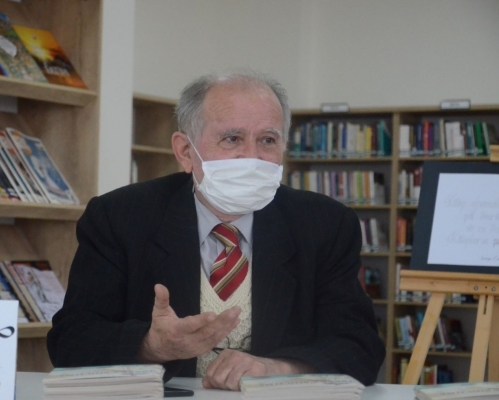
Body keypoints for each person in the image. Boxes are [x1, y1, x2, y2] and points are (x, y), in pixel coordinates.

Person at [47, 70, 386, 391]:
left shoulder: (325, 224)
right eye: (232, 138)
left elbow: (359, 347)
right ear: (185, 151)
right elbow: (71, 342)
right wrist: (151, 345)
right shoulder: (119, 217)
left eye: (268, 140)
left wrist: (278, 369)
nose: (252, 157)